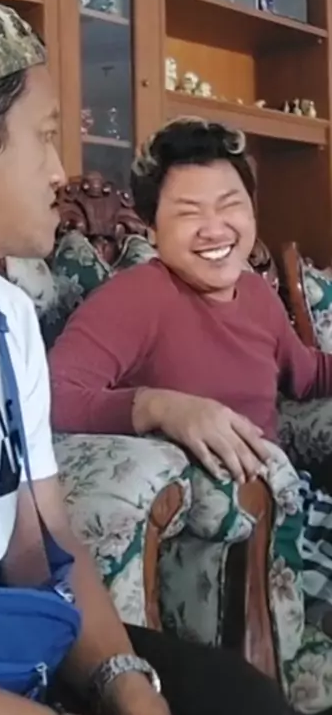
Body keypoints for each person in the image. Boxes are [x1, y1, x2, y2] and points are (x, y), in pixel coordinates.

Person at [0, 0, 296, 715]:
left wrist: (124, 681)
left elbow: (43, 547)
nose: (62, 172)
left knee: (239, 699)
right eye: (46, 136)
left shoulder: (6, 318)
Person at [48, 118, 332, 629]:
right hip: (230, 532)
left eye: (230, 205)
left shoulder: (256, 293)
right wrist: (159, 406)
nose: (215, 229)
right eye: (188, 212)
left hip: (292, 499)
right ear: (153, 228)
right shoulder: (136, 297)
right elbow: (49, 393)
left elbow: (305, 374)